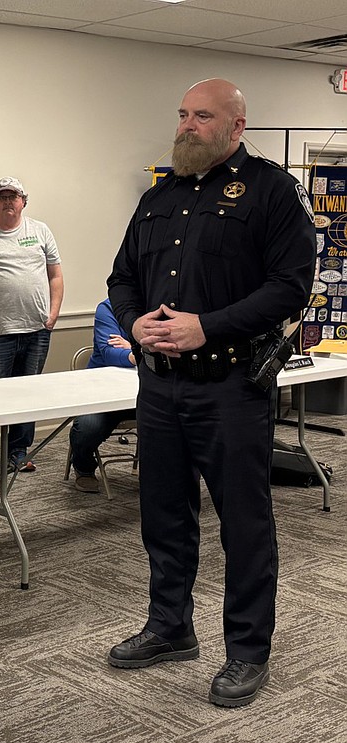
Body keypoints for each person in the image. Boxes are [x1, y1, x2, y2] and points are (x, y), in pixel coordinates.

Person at [106, 79, 315, 707]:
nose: (187, 125)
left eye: (202, 116)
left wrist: (208, 326)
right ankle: (170, 628)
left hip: (230, 385)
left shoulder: (273, 192)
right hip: (161, 387)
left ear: (237, 126)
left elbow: (290, 286)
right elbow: (121, 278)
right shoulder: (159, 196)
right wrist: (134, 321)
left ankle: (248, 651)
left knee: (244, 525)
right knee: (164, 517)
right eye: (182, 114)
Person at [0, 176, 64, 477]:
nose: (8, 201)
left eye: (14, 196)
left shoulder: (40, 230)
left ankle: (19, 451)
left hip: (36, 330)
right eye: (2, 197)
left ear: (23, 201)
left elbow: (55, 275)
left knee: (27, 393)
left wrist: (53, 314)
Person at [68, 298, 137, 493]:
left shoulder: (157, 308)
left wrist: (132, 348)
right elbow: (110, 353)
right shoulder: (108, 308)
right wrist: (140, 350)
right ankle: (84, 468)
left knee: (174, 419)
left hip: (142, 394)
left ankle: (159, 472)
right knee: (88, 426)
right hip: (103, 395)